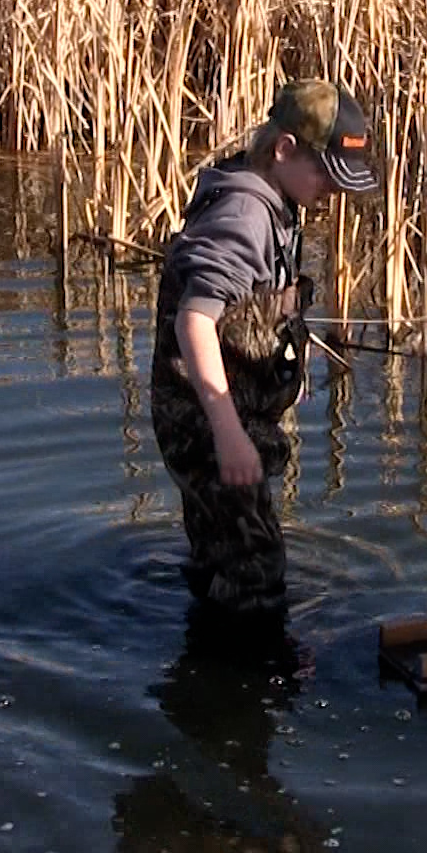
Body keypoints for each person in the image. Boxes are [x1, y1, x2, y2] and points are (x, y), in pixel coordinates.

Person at [150, 80, 377, 615]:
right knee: (256, 574)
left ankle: (213, 655)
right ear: (283, 150)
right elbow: (195, 322)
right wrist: (229, 436)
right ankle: (248, 686)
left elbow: (248, 309)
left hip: (223, 415)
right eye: (325, 173)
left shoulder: (275, 201)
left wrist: (285, 363)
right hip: (209, 425)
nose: (333, 190)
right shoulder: (244, 214)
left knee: (222, 561)